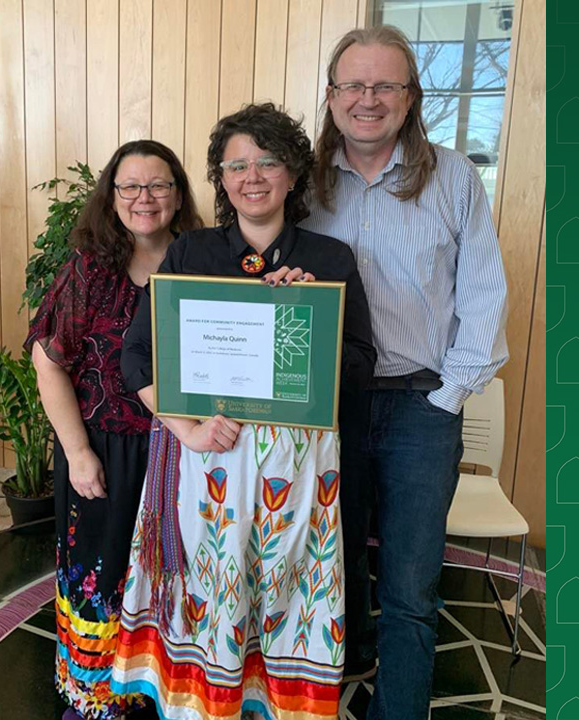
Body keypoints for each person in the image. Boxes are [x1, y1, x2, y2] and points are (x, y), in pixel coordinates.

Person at [110, 103, 376, 720]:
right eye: (236, 165)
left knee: (286, 595)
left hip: (298, 473)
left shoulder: (330, 261)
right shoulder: (190, 255)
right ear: (221, 179)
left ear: (292, 174)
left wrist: (308, 317)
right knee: (213, 594)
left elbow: (360, 366)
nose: (251, 176)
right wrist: (189, 431)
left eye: (267, 162)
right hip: (209, 460)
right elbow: (138, 357)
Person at [300, 25, 509, 720]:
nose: (368, 99)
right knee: (335, 561)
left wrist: (450, 398)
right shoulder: (300, 182)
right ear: (330, 97)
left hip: (422, 406)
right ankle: (350, 653)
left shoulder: (453, 179)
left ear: (411, 96)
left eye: (385, 85)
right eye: (353, 86)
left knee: (411, 586)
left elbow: (483, 294)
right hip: (329, 403)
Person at [25, 139, 204, 720]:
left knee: (175, 576)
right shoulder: (90, 270)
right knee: (101, 574)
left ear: (178, 196)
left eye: (158, 186)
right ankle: (96, 692)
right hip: (102, 449)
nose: (144, 198)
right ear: (112, 195)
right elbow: (48, 361)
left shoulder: (203, 261)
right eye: (130, 186)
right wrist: (77, 453)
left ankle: (166, 689)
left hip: (183, 451)